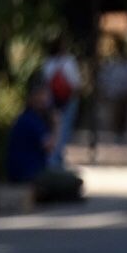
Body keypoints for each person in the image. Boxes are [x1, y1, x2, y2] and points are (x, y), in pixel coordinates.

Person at [40, 37, 83, 167]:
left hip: (54, 100)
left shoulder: (48, 63)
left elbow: (45, 82)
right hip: (67, 100)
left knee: (56, 127)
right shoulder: (68, 62)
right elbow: (75, 83)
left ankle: (54, 157)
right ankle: (56, 157)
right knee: (63, 128)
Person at [6, 75, 55, 184]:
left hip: (24, 172)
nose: (47, 99)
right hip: (28, 174)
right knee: (70, 180)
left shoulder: (28, 116)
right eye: (44, 94)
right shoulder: (32, 119)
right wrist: (56, 125)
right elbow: (49, 147)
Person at [97, 38, 127, 143]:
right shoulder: (111, 64)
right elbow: (104, 77)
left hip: (126, 92)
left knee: (125, 114)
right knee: (115, 114)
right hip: (115, 92)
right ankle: (117, 133)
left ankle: (122, 133)